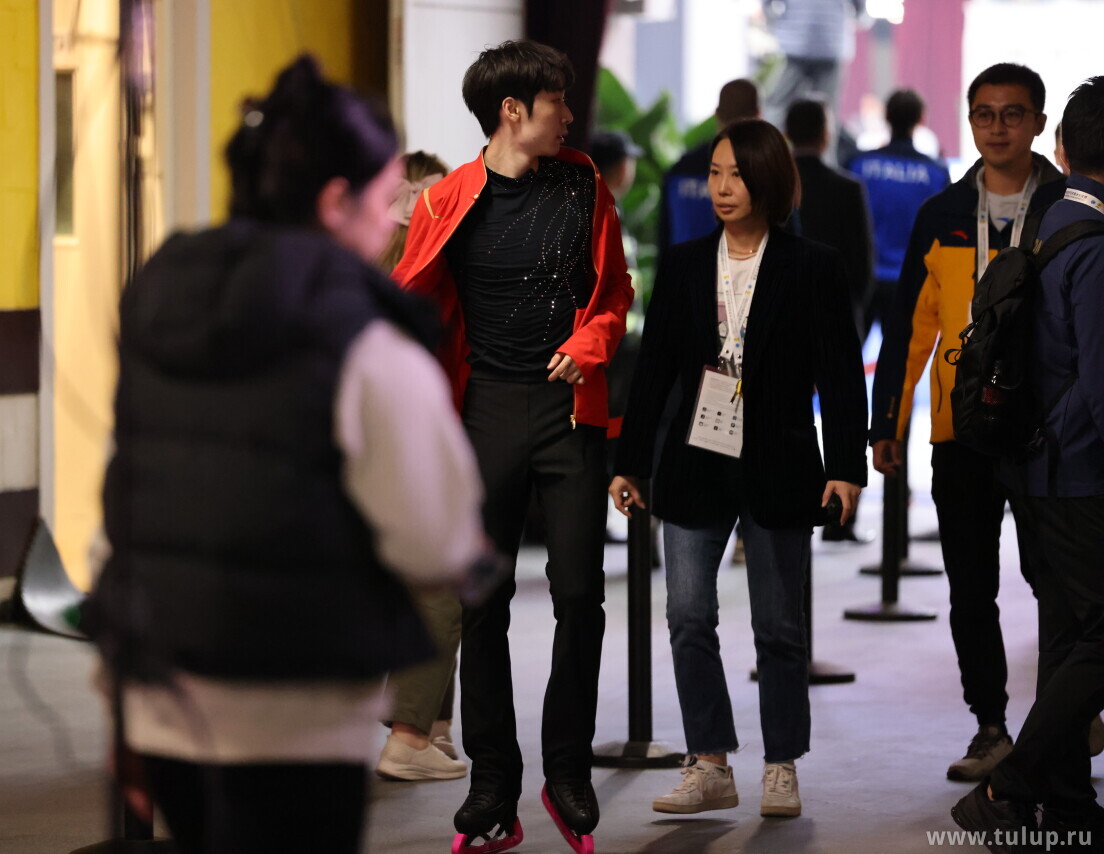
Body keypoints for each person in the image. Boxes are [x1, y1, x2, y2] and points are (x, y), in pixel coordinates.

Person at [85, 56, 493, 854]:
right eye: (387, 201)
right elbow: (435, 539)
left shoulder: (163, 294)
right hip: (293, 708)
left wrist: (119, 693)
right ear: (336, 201)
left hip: (157, 694)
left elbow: (125, 506)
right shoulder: (366, 336)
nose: (398, 224)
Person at [393, 38, 633, 852]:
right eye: (556, 100)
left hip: (569, 411)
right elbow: (407, 307)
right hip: (484, 411)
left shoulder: (584, 184)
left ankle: (567, 770)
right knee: (482, 603)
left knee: (581, 597)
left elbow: (616, 292)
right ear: (512, 111)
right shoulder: (447, 201)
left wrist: (592, 342)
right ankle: (492, 779)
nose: (568, 113)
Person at [610, 119, 867, 821]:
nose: (722, 188)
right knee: (688, 615)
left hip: (781, 460)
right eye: (716, 173)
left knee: (778, 626)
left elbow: (841, 375)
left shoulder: (812, 265)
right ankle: (710, 762)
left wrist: (846, 466)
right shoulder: (686, 263)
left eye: (738, 175)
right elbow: (655, 371)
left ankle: (781, 765)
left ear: (769, 181)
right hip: (695, 460)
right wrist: (631, 461)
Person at [869, 62, 1065, 784]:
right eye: (985, 114)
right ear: (969, 121)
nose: (998, 127)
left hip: (1050, 432)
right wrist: (887, 421)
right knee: (971, 590)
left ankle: (1067, 717)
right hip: (963, 434)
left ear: (1038, 122)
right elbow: (909, 328)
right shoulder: (942, 214)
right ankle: (990, 728)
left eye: (1013, 114)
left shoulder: (1068, 209)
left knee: (1060, 583)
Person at [952, 74, 1104, 853]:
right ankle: (1008, 787)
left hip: (1037, 465)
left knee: (1069, 639)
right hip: (1079, 475)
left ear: (1063, 146)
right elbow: (1099, 384)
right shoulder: (1096, 244)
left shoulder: (1047, 217)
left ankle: (1068, 804)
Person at [371, 150, 468, 782]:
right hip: (413, 450)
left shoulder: (360, 268)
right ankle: (414, 733)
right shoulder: (430, 273)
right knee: (437, 591)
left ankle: (426, 727)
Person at [846, 89, 950, 339]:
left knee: (846, 357)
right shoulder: (934, 173)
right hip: (910, 283)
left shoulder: (857, 165)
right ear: (921, 119)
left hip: (860, 282)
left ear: (886, 117)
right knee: (899, 359)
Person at [785, 98, 873, 339]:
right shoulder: (848, 189)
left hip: (783, 319)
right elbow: (862, 264)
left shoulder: (770, 185)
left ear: (787, 133)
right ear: (826, 135)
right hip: (836, 315)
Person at [659, 79, 760, 248]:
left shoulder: (680, 170)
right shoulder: (765, 171)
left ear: (717, 114)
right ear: (758, 114)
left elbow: (665, 238)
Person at [761, 0, 862, 137]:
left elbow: (767, 6)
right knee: (826, 112)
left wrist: (774, 23)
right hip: (826, 43)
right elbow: (860, 10)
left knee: (779, 106)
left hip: (798, 42)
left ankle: (770, 146)